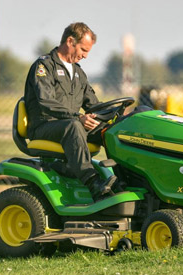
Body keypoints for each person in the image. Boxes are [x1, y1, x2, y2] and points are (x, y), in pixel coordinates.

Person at [24, 22, 116, 200]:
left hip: (71, 125)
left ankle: (124, 178)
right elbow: (46, 101)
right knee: (74, 126)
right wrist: (78, 117)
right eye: (83, 50)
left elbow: (94, 105)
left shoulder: (78, 73)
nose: (86, 56)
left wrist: (117, 115)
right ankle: (93, 183)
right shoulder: (44, 66)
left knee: (111, 130)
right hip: (45, 126)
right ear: (70, 41)